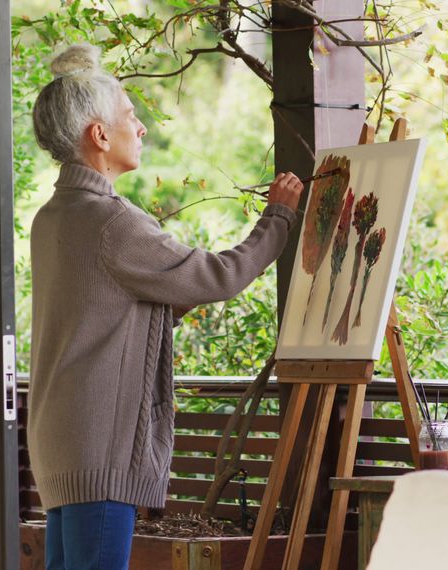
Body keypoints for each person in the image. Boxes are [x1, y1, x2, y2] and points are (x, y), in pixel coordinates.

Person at [26, 43, 304, 569]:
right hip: (100, 451)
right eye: (132, 116)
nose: (143, 128)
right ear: (99, 135)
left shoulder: (53, 217)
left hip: (62, 444)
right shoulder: (111, 222)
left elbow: (103, 309)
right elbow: (220, 276)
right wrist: (279, 219)